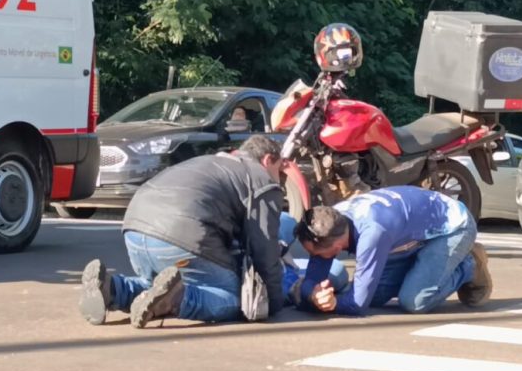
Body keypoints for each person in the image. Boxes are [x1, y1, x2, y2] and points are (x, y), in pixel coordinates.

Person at [79, 135, 286, 328]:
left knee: (155, 284)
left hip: (134, 228)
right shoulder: (260, 179)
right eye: (280, 170)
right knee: (236, 296)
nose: (279, 178)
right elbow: (264, 249)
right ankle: (177, 300)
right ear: (268, 160)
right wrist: (273, 302)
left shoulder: (210, 162)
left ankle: (112, 288)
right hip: (180, 236)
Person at [293, 185, 492, 316]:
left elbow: (357, 304)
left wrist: (332, 303)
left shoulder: (372, 233)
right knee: (376, 297)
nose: (314, 258)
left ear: (336, 247)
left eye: (316, 255)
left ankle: (469, 264)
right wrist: (312, 294)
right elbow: (312, 280)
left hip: (452, 227)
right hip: (408, 235)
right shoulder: (328, 222)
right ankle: (419, 272)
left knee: (414, 301)